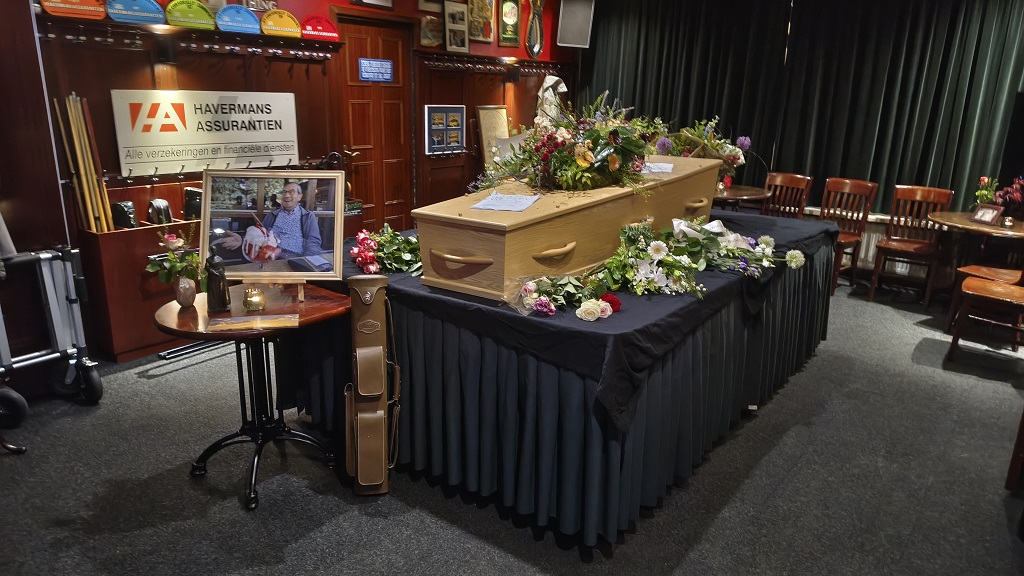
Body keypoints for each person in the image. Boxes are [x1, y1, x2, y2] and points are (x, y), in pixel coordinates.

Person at [261, 182, 322, 257]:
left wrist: (307, 259)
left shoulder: (308, 216)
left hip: (295, 257)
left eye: (291, 192)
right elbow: (261, 234)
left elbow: (313, 242)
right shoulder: (272, 215)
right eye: (284, 192)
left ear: (299, 196)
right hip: (271, 256)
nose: (286, 196)